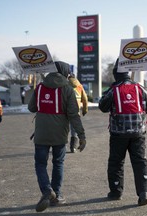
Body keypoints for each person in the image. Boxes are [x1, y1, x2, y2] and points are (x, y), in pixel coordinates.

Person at [28, 61, 86, 213]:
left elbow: (31, 107)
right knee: (58, 163)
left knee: (40, 164)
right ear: (65, 72)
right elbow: (74, 115)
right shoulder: (67, 89)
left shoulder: (40, 87)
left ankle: (47, 191)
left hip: (41, 133)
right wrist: (81, 136)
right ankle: (57, 194)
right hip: (59, 134)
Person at [98, 58, 147, 206]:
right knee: (140, 161)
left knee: (116, 162)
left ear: (116, 74)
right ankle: (144, 192)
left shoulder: (113, 90)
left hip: (118, 134)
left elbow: (102, 107)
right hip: (138, 133)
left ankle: (116, 191)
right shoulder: (139, 88)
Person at [68, 73, 88, 153]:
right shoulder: (79, 86)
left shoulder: (65, 86)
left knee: (64, 130)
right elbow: (85, 99)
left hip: (65, 111)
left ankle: (62, 146)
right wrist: (84, 110)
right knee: (74, 130)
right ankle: (73, 147)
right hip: (76, 111)